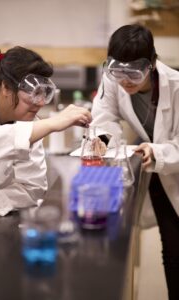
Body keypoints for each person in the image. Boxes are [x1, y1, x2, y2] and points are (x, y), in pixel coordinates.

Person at [91, 24, 179, 299]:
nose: (125, 80)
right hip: (156, 173)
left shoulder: (175, 86)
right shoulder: (113, 80)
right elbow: (104, 119)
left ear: (152, 64)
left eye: (134, 73)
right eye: (118, 71)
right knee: (173, 251)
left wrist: (158, 152)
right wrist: (104, 146)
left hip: (169, 166)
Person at [0, 46, 92, 216]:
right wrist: (52, 123)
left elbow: (32, 189)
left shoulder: (28, 123)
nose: (40, 103)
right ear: (6, 87)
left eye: (44, 94)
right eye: (34, 93)